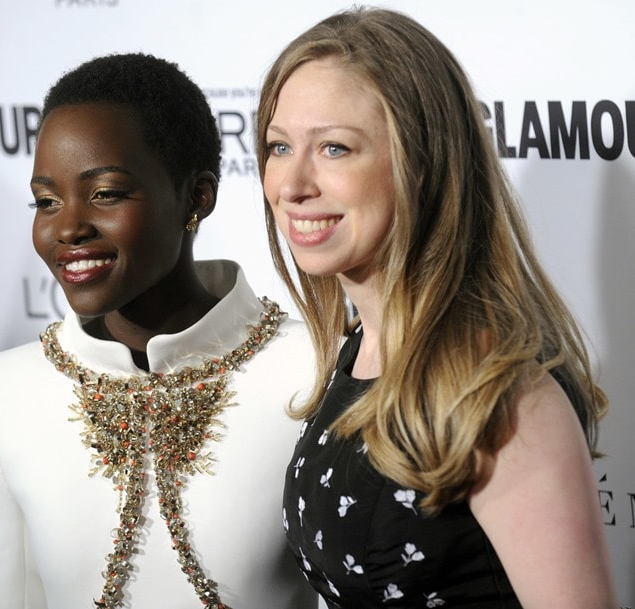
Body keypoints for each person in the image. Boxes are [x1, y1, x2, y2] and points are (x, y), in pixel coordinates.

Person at [256, 7, 617, 609]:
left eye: (336, 149)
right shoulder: (355, 350)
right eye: (279, 146)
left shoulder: (501, 398)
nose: (292, 183)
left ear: (421, 163)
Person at [0, 52, 317, 609]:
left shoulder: (317, 367)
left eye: (105, 193)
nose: (69, 226)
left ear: (196, 197)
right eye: (46, 201)